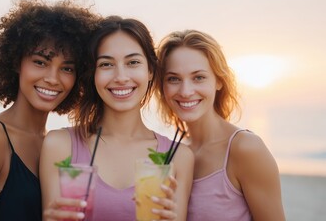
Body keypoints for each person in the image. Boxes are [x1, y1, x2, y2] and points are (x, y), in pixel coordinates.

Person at [0, 0, 100, 221]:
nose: (52, 78)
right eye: (40, 62)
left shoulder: (56, 144)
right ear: (17, 62)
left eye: (67, 68)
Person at [40, 16, 194, 221]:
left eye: (133, 62)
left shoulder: (179, 157)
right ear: (92, 73)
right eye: (106, 64)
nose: (121, 77)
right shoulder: (59, 145)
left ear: (149, 71)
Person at [155, 29, 286, 220]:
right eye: (173, 79)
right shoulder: (176, 156)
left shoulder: (245, 148)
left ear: (218, 81)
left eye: (198, 77)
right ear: (163, 87)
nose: (185, 91)